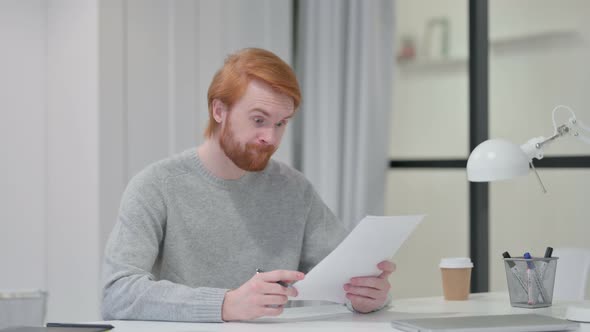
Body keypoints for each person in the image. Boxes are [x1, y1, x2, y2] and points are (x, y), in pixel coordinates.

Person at [101, 48, 395, 323]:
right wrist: (224, 304)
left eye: (281, 123)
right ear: (219, 111)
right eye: (258, 120)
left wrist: (367, 297)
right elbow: (117, 293)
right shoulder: (156, 186)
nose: (270, 137)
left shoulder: (293, 190)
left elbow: (345, 275)